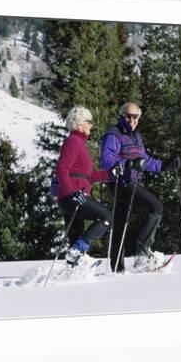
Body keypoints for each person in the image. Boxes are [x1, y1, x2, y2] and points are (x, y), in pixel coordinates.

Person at [100, 102, 180, 272]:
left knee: (120, 223)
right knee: (156, 206)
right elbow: (105, 160)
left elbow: (145, 161)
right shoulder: (113, 134)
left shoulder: (136, 136)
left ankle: (117, 268)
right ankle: (142, 254)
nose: (132, 120)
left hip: (132, 183)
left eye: (135, 116)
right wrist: (128, 164)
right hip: (120, 183)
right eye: (128, 116)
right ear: (122, 116)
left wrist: (165, 165)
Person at [55, 106, 121, 266]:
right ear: (79, 124)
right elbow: (62, 169)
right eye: (89, 121)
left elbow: (88, 177)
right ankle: (77, 252)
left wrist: (109, 174)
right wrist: (71, 192)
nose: (92, 125)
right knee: (106, 217)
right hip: (72, 196)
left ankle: (74, 268)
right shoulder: (73, 142)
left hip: (71, 195)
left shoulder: (79, 143)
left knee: (75, 237)